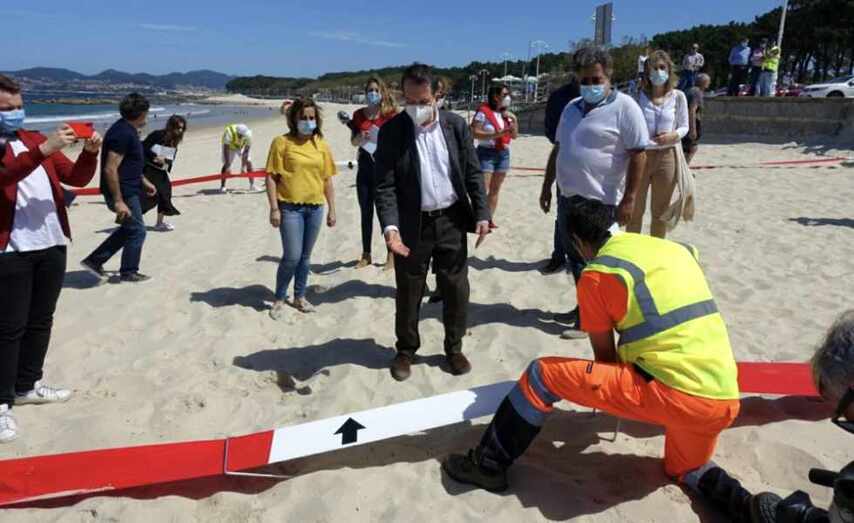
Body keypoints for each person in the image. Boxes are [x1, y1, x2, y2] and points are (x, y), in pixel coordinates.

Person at [441, 199, 752, 518]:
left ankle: (488, 465)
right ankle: (754, 506)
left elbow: (605, 358)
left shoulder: (597, 275)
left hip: (672, 395)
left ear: (577, 241)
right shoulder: (672, 250)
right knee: (684, 469)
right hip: (723, 399)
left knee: (541, 375)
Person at [0, 74, 102, 443]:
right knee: (8, 329)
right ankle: (1, 403)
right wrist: (44, 150)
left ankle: (27, 385)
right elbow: (6, 174)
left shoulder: (31, 140)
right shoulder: (34, 147)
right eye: (6, 109)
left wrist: (90, 152)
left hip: (51, 244)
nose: (15, 114)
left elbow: (74, 177)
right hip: (10, 250)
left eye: (19, 107)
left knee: (40, 320)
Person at [374, 63, 491, 382]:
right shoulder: (393, 131)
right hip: (413, 225)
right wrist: (390, 228)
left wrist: (482, 213)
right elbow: (384, 185)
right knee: (409, 290)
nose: (416, 108)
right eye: (409, 102)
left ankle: (453, 348)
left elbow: (471, 172)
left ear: (437, 96)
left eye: (423, 102)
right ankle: (406, 350)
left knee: (456, 288)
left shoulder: (455, 126)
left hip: (452, 219)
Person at [538, 46, 648, 339]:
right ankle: (584, 310)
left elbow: (638, 154)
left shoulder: (626, 107)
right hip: (567, 196)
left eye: (596, 79)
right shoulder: (571, 107)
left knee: (599, 262)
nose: (590, 86)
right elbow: (559, 148)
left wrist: (631, 198)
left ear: (608, 77)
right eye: (585, 80)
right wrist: (547, 185)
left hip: (603, 201)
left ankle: (596, 319)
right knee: (575, 260)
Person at [265, 98, 337, 319]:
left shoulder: (321, 145)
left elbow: (327, 180)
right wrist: (274, 208)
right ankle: (279, 297)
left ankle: (299, 296)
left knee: (306, 257)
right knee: (292, 256)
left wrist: (332, 209)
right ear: (293, 119)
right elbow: (271, 177)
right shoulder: (281, 143)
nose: (308, 121)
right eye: (303, 118)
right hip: (290, 208)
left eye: (311, 118)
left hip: (315, 207)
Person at [81, 93, 155, 283]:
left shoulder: (128, 130)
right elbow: (110, 167)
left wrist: (144, 182)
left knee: (129, 229)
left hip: (130, 188)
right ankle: (129, 271)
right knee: (138, 231)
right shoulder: (122, 133)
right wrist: (118, 200)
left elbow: (130, 164)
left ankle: (95, 260)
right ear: (141, 114)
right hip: (123, 192)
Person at [628, 50, 689, 239]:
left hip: (667, 157)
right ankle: (632, 252)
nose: (658, 72)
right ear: (647, 72)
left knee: (660, 211)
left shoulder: (678, 96)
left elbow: (684, 126)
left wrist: (673, 135)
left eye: (662, 67)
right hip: (641, 156)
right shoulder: (637, 95)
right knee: (635, 210)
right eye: (654, 68)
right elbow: (628, 123)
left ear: (669, 70)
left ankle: (655, 251)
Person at [350, 77, 398, 270]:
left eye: (376, 90)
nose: (373, 93)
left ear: (382, 92)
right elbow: (353, 141)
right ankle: (366, 254)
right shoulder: (358, 115)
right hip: (364, 167)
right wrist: (360, 137)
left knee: (385, 212)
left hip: (384, 169)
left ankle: (391, 254)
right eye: (370, 90)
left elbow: (397, 142)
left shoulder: (390, 114)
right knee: (366, 212)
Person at [540, 74, 580, 275]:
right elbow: (551, 130)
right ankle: (559, 256)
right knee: (563, 214)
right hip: (565, 160)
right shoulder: (560, 98)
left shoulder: (612, 100)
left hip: (599, 172)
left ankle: (581, 260)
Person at [471, 83, 517, 224]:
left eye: (508, 94)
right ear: (495, 97)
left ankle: (489, 218)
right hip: (486, 153)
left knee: (495, 189)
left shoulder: (506, 114)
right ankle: (478, 218)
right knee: (482, 189)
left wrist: (514, 119)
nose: (507, 98)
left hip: (503, 153)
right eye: (504, 95)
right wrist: (496, 134)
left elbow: (514, 135)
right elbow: (474, 132)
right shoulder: (483, 111)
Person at [142, 115, 185, 231]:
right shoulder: (157, 134)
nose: (180, 130)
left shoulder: (174, 141)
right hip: (146, 169)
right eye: (178, 127)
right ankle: (129, 221)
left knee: (165, 194)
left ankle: (159, 223)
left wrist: (164, 163)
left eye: (182, 128)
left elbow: (169, 164)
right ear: (171, 126)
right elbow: (143, 147)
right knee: (146, 198)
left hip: (160, 172)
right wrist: (156, 157)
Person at [683, 73, 711, 165]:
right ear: (704, 82)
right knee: (692, 148)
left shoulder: (690, 90)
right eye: (708, 81)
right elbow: (692, 110)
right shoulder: (697, 93)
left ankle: (684, 169)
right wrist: (693, 129)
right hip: (691, 123)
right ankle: (685, 170)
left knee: (686, 149)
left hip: (684, 122)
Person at [220, 123, 255, 192]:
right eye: (242, 136)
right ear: (239, 134)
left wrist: (243, 167)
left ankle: (252, 185)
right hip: (229, 148)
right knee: (226, 165)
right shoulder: (229, 132)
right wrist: (228, 166)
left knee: (249, 163)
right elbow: (225, 149)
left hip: (240, 147)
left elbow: (246, 151)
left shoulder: (249, 134)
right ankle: (223, 186)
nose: (244, 137)